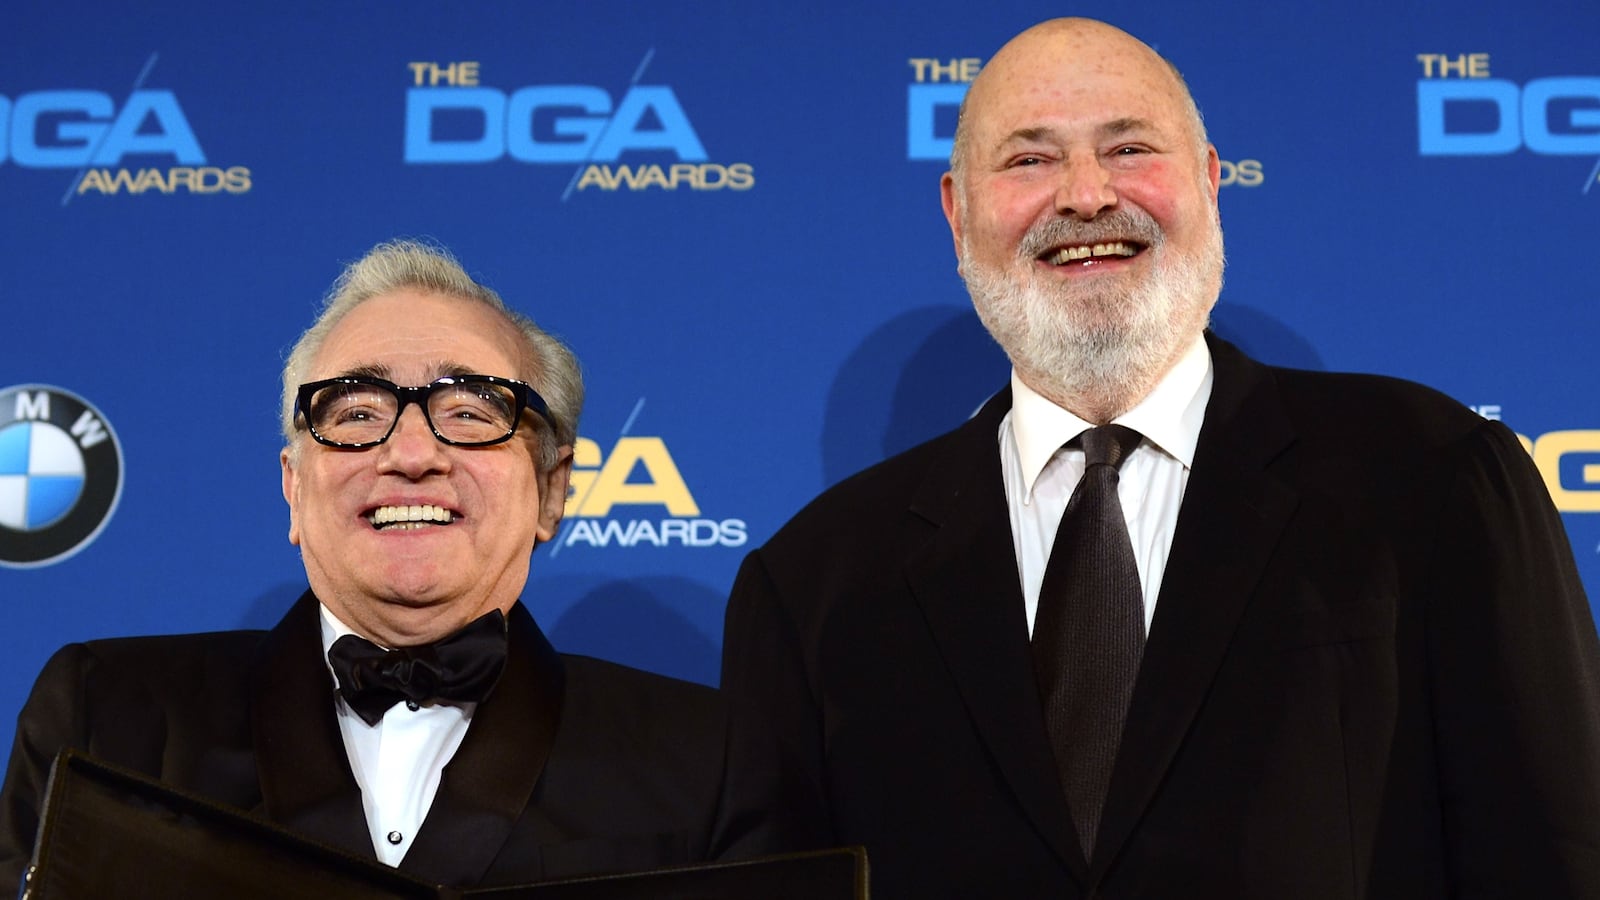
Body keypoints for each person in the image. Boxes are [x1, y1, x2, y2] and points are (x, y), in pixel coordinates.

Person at [721, 17, 1600, 898]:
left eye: (1130, 147)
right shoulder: (812, 584)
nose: (1088, 196)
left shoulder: (1433, 477)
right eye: (1030, 161)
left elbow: (1555, 855)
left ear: (1212, 183)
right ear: (958, 213)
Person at [0, 240, 771, 893]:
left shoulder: (705, 762)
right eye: (357, 413)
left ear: (551, 490)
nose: (409, 454)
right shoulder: (108, 719)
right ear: (294, 489)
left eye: (471, 411)